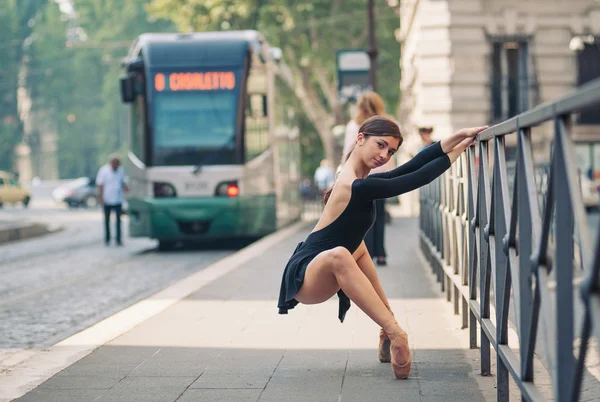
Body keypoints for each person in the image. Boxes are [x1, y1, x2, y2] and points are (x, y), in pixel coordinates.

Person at [278, 115, 487, 379]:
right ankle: (395, 332)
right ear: (360, 138)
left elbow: (409, 168)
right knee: (342, 253)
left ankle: (385, 329)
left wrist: (459, 137)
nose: (384, 155)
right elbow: (414, 178)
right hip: (306, 274)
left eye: (390, 151)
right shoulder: (352, 184)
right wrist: (458, 150)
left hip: (326, 262)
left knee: (357, 247)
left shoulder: (357, 178)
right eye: (380, 145)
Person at [343, 91, 393, 266]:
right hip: (381, 174)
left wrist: (344, 174)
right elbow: (390, 153)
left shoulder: (353, 126)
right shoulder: (387, 124)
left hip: (361, 176)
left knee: (363, 216)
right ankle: (381, 253)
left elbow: (348, 152)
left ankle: (367, 252)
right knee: (378, 215)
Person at [96, 153, 128, 246]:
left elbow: (123, 183)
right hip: (107, 199)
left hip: (117, 199)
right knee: (107, 220)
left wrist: (126, 188)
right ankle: (107, 239)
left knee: (118, 220)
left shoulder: (121, 171)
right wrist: (101, 198)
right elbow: (100, 185)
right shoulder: (103, 171)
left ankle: (118, 239)